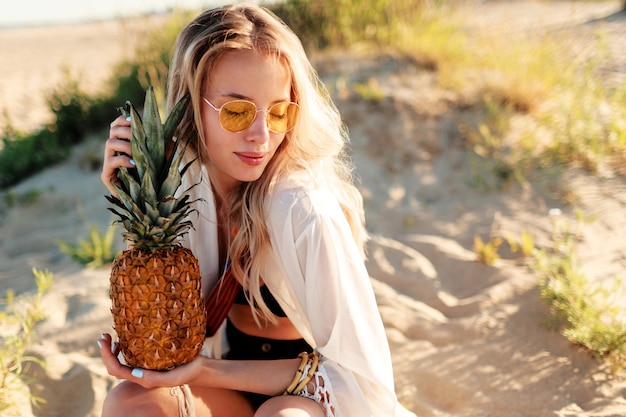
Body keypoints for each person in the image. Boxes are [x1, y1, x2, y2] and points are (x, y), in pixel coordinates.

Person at [99, 3, 416, 417]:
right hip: (228, 382)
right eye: (236, 112)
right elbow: (169, 328)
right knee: (130, 403)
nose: (262, 137)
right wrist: (130, 196)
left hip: (316, 395)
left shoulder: (306, 211)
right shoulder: (183, 189)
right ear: (193, 105)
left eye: (280, 111)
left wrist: (205, 371)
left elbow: (359, 380)